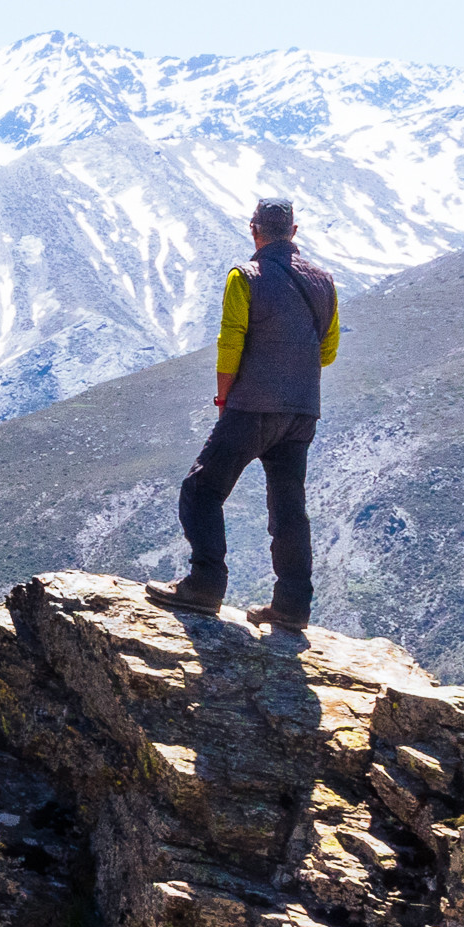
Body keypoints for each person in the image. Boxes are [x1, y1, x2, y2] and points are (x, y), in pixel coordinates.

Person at [150, 197, 339, 630]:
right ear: (294, 231)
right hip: (302, 412)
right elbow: (327, 352)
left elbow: (230, 344)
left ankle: (204, 585)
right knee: (289, 508)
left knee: (202, 490)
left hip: (252, 406)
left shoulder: (245, 277)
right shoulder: (324, 281)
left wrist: (223, 400)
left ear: (254, 229)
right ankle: (292, 607)